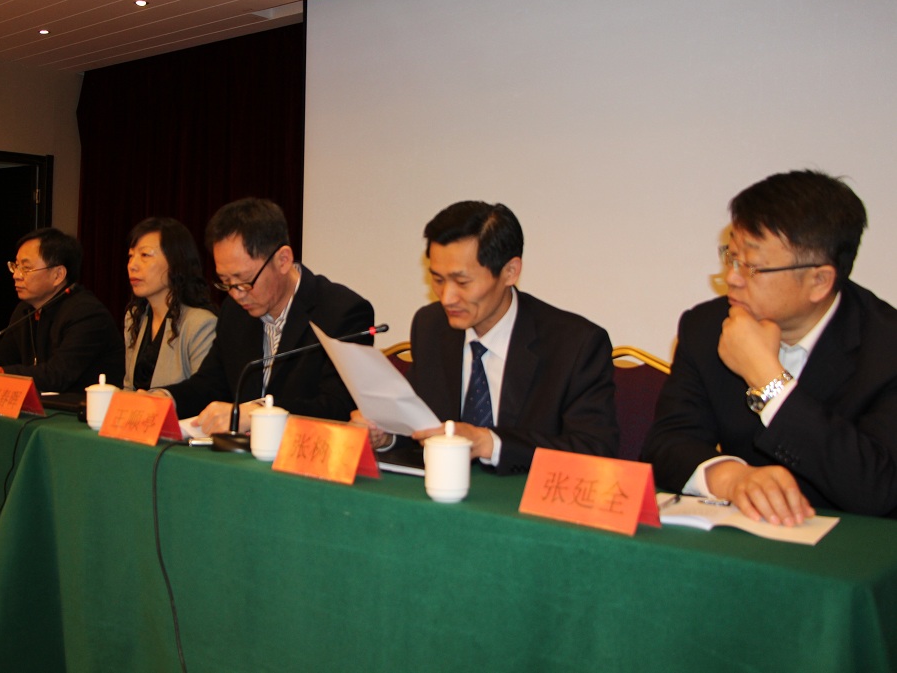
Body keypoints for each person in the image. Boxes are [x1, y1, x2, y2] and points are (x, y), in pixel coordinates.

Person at [641, 170, 897, 524]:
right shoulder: (707, 326)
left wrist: (767, 378)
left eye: (752, 267)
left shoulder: (886, 347)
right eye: (732, 257)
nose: (732, 278)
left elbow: (877, 489)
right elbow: (667, 444)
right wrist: (732, 478)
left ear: (819, 281)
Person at [357, 201, 618, 475]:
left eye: (462, 282)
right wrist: (386, 436)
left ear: (510, 272)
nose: (447, 298)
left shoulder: (575, 344)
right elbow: (422, 424)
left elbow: (596, 450)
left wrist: (490, 443)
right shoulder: (431, 326)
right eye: (438, 280)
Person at [155, 197, 374, 434]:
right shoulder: (234, 312)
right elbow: (211, 384)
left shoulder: (342, 312)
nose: (236, 294)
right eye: (226, 281)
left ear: (283, 260)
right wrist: (164, 399)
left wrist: (258, 414)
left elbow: (337, 407)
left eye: (244, 280)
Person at [0, 228, 124, 393]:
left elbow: (56, 375)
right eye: (15, 266)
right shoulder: (26, 310)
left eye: (26, 268)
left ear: (58, 275)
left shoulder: (87, 314)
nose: (16, 275)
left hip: (83, 415)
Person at [122, 217, 217, 390]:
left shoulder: (200, 324)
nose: (132, 265)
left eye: (145, 255)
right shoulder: (135, 317)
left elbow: (205, 394)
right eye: (130, 256)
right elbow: (129, 387)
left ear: (175, 262)